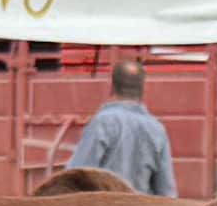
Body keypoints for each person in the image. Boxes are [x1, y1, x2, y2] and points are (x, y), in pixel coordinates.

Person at [64, 57, 176, 196]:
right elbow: (166, 191)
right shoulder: (157, 129)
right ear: (142, 90)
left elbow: (75, 176)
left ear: (112, 87)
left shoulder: (102, 123)